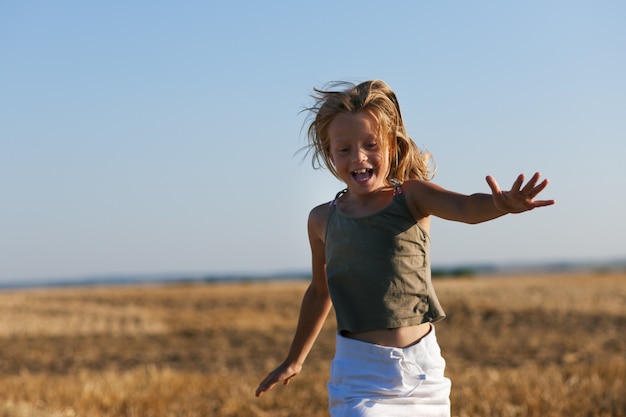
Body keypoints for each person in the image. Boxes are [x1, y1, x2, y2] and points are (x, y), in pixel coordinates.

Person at [255, 80, 555, 416]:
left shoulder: (412, 197)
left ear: (392, 146)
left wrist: (502, 205)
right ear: (329, 154)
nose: (359, 157)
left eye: (371, 145)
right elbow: (320, 291)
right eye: (345, 149)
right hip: (359, 375)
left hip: (421, 370)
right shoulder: (322, 220)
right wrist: (294, 359)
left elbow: (467, 209)